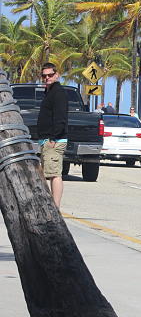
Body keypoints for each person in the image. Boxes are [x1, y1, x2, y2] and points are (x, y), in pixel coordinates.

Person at [37, 63, 68, 208]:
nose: (47, 78)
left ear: (57, 75)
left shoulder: (58, 92)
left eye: (50, 75)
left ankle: (56, 207)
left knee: (55, 174)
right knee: (48, 173)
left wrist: (54, 138)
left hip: (54, 140)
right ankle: (52, 205)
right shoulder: (49, 91)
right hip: (46, 140)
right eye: (44, 75)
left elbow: (60, 117)